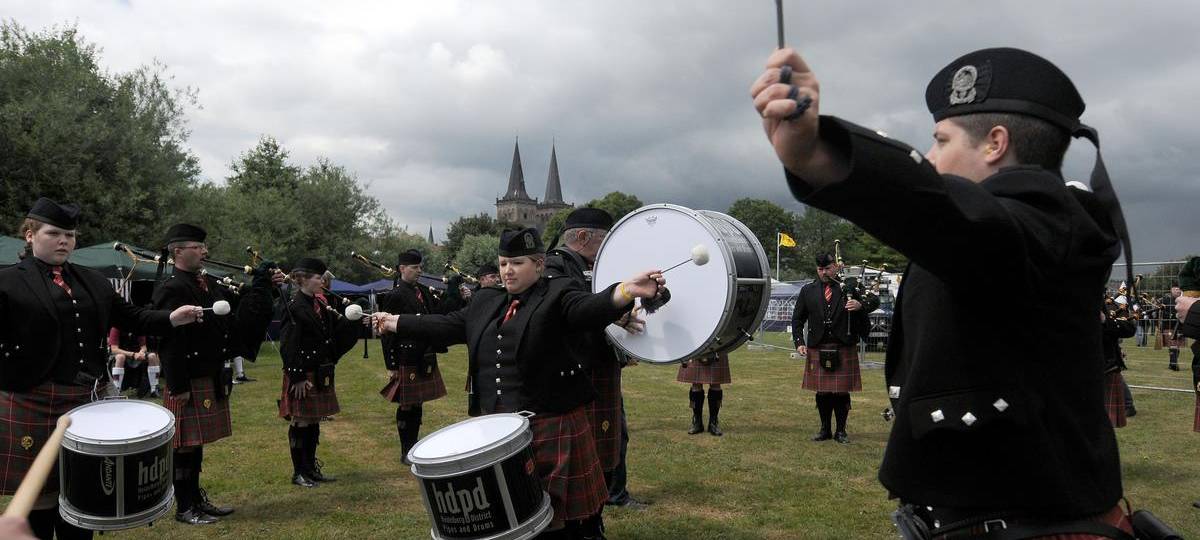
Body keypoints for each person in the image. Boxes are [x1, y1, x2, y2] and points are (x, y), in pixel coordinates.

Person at [753, 47, 1134, 536]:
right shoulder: (1003, 230)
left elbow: (956, 219)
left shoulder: (1048, 225)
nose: (931, 157)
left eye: (940, 140)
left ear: (995, 143)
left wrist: (819, 154)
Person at [372, 227, 664, 540]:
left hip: (550, 421)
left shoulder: (558, 292)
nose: (508, 271)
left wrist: (625, 291)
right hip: (500, 430)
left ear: (539, 264)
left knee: (559, 520)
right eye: (502, 264)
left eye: (517, 263)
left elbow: (586, 310)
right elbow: (447, 325)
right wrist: (394, 322)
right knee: (515, 517)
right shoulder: (487, 301)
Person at [0, 198, 203, 539]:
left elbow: (133, 316)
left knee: (83, 489)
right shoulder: (7, 281)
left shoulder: (92, 281)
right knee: (41, 492)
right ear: (30, 235)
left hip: (84, 400)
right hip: (32, 397)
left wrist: (171, 317)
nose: (64, 241)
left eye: (70, 234)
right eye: (54, 233)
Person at [153, 223, 282, 525]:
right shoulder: (172, 288)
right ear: (178, 251)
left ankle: (197, 500)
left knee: (194, 445)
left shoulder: (206, 283)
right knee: (183, 446)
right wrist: (177, 384)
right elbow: (168, 340)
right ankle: (185, 508)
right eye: (198, 247)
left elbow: (242, 310)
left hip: (208, 372)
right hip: (186, 377)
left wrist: (266, 285)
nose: (205, 251)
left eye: (204, 246)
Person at [546, 208, 650, 512]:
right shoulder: (558, 268)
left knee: (614, 433)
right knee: (593, 439)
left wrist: (615, 316)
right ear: (582, 236)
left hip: (594, 363)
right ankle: (600, 498)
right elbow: (573, 312)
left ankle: (612, 495)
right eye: (604, 241)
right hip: (578, 366)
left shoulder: (579, 266)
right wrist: (612, 315)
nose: (607, 249)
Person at [278, 258, 360, 487]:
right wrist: (297, 377)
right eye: (317, 277)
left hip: (319, 370)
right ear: (302, 279)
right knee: (301, 421)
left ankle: (311, 468)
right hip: (303, 373)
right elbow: (288, 345)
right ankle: (299, 472)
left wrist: (353, 321)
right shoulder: (294, 306)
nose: (321, 281)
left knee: (313, 421)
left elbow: (331, 335)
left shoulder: (319, 304)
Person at [376, 249, 461, 464]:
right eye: (414, 268)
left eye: (420, 267)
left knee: (418, 402)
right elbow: (386, 332)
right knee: (406, 404)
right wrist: (392, 364)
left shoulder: (422, 291)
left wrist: (453, 292)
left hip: (425, 354)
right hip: (406, 356)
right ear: (402, 269)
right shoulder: (395, 295)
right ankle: (406, 450)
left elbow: (440, 316)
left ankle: (414, 446)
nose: (419, 271)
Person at [791, 253, 878, 444]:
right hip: (818, 345)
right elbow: (797, 319)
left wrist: (860, 304)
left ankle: (841, 431)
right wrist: (799, 342)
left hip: (843, 344)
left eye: (828, 268)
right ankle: (824, 430)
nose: (824, 272)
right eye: (820, 269)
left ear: (836, 267)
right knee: (822, 391)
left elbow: (874, 301)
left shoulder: (850, 287)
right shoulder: (808, 290)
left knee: (840, 391)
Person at [1101, 300, 1136, 428]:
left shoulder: (1111, 304)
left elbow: (1129, 328)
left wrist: (1105, 320)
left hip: (1107, 362)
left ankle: (1127, 405)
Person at [677, 352, 730, 436]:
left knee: (716, 383)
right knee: (696, 384)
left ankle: (713, 423)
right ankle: (697, 423)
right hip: (695, 347)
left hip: (718, 347)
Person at [1162, 284, 1183, 370]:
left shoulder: (1182, 300)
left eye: (1178, 289)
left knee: (1176, 346)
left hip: (1180, 326)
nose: (1177, 290)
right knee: (1172, 345)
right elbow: (1162, 313)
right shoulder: (1166, 300)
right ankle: (1174, 364)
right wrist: (1172, 315)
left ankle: (1172, 363)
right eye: (1175, 289)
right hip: (1168, 325)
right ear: (1171, 290)